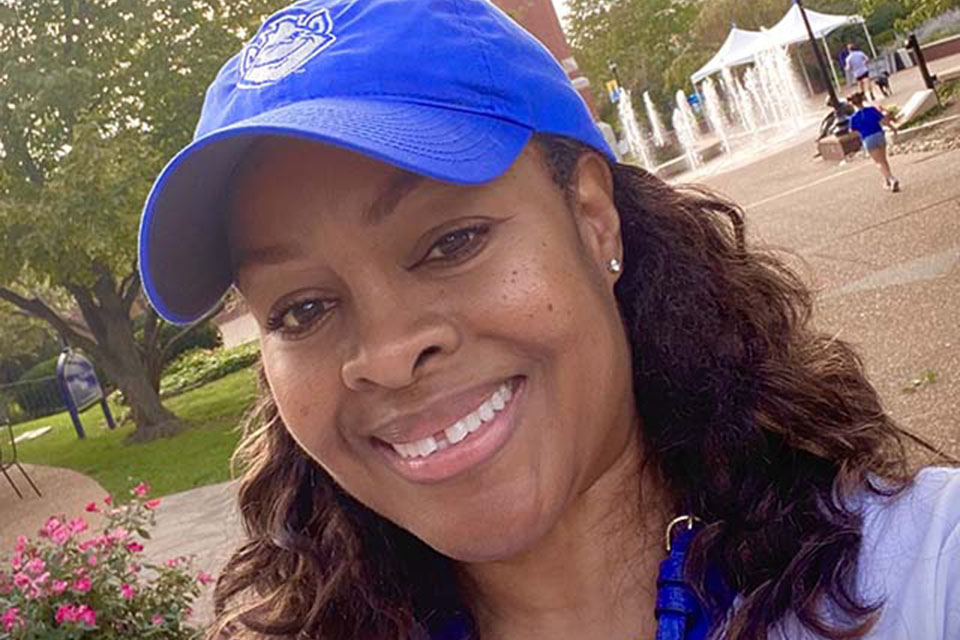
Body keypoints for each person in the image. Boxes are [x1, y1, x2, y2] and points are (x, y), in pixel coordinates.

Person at [137, 1, 958, 639]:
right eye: (303, 308)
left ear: (595, 220)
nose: (387, 354)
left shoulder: (922, 576)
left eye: (452, 242)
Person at [848, 92, 901, 192]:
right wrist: (893, 128)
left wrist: (860, 132)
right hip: (879, 134)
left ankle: (891, 179)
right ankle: (887, 181)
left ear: (853, 104)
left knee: (879, 162)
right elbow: (883, 121)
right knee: (883, 159)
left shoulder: (854, 118)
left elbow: (852, 131)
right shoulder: (872, 110)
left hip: (868, 138)